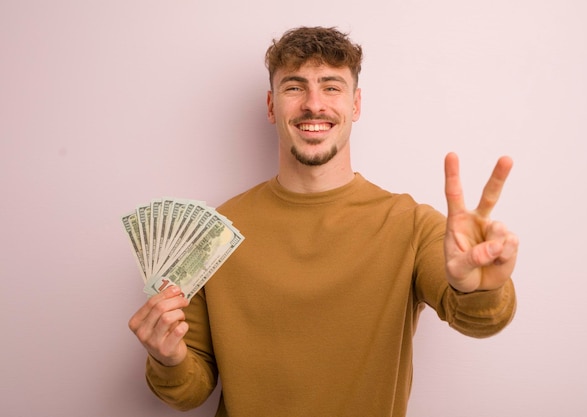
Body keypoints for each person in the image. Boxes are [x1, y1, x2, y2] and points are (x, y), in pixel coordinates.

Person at [128, 26, 518, 417]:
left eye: (331, 87)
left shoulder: (411, 224)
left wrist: (479, 290)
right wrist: (168, 359)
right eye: (294, 87)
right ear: (271, 105)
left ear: (356, 104)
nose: (314, 105)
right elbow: (189, 391)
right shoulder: (215, 233)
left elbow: (479, 321)